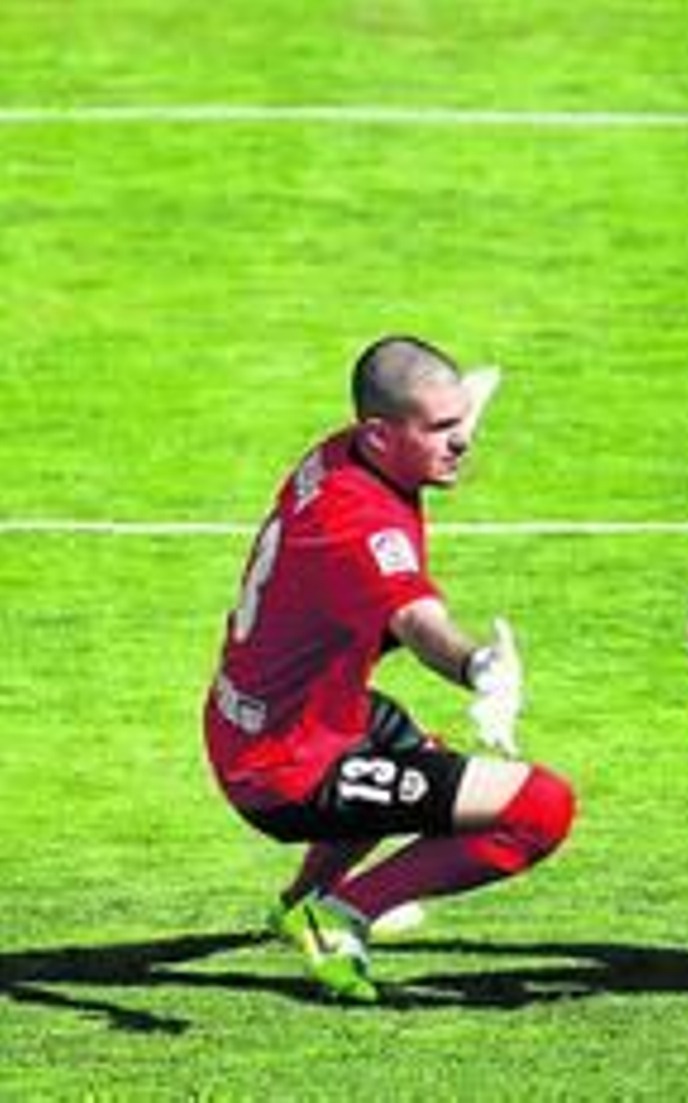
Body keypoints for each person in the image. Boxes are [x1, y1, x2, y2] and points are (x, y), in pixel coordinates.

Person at [203, 335, 576, 1003]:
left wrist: (458, 406)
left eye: (461, 421)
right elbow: (416, 619)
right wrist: (479, 666)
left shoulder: (343, 453)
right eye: (441, 428)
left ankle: (302, 901)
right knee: (541, 808)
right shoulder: (363, 525)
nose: (462, 442)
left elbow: (422, 421)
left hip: (279, 715)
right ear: (380, 435)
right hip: (284, 772)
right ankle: (340, 915)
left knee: (404, 742)